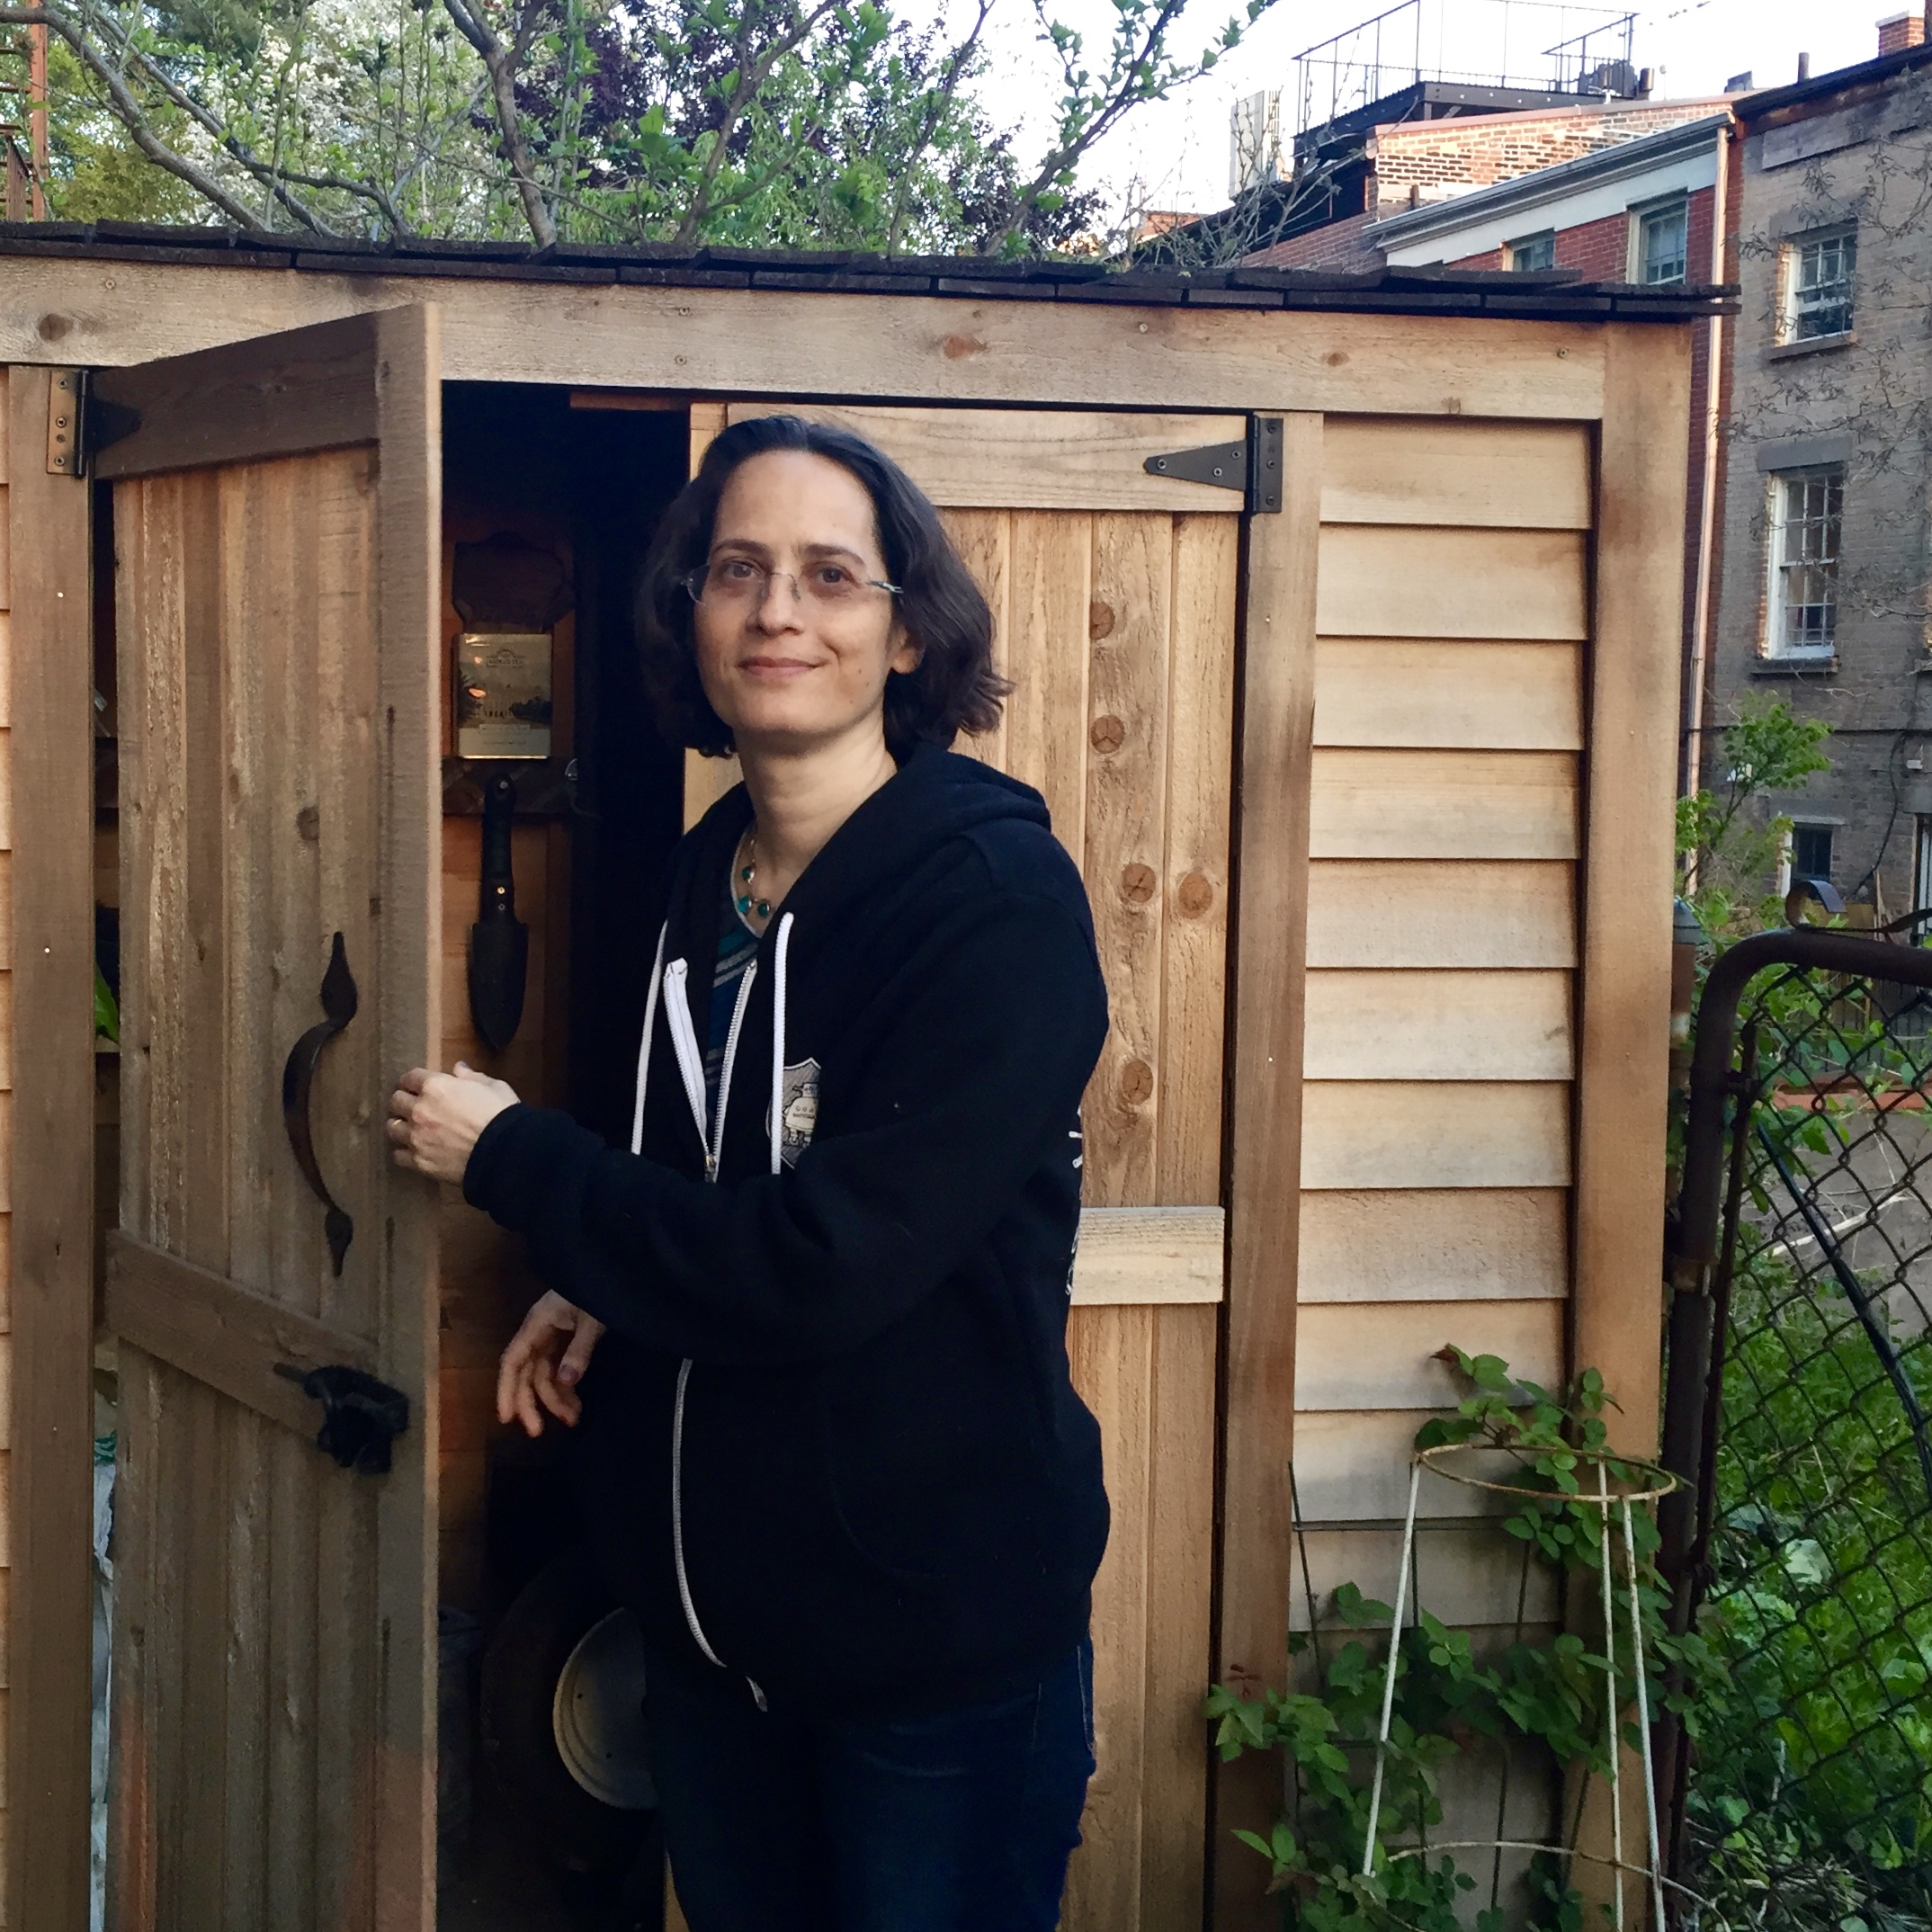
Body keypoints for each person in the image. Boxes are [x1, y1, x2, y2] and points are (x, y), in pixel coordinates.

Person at [387, 414, 1111, 1932]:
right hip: (710, 1656)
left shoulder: (992, 906)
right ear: (692, 616)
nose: (779, 610)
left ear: (908, 635)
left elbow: (819, 1260)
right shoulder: (709, 873)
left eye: (831, 576)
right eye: (739, 570)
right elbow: (701, 1157)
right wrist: (601, 1281)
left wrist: (513, 1156)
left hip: (925, 1668)